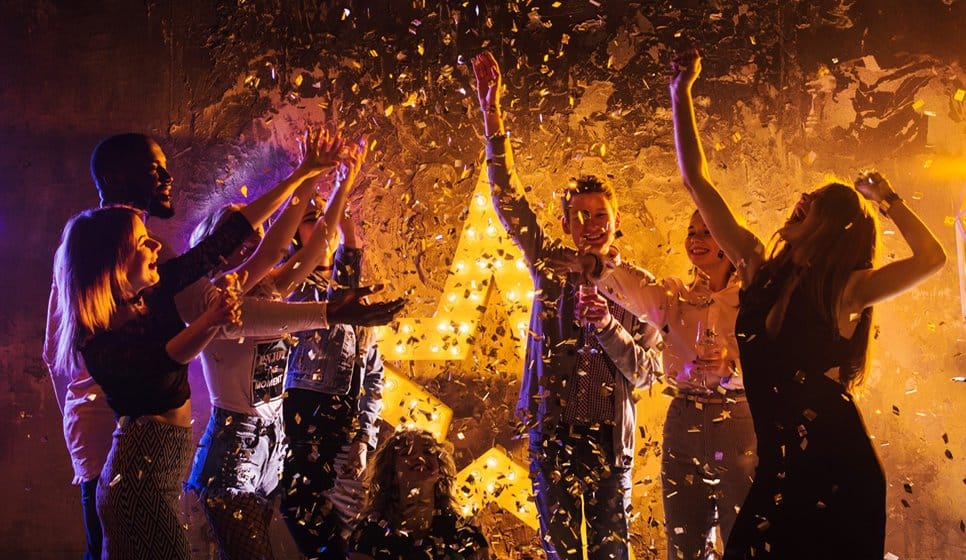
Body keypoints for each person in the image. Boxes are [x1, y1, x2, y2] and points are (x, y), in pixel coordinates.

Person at [51, 140, 405, 560]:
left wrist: (306, 176)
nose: (158, 246)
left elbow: (257, 246)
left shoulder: (161, 291)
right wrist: (222, 317)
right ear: (114, 260)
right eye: (144, 242)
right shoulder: (115, 334)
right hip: (159, 473)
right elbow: (168, 356)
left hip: (216, 462)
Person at [669, 49, 946, 559]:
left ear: (830, 223)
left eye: (814, 197)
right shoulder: (756, 264)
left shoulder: (846, 288)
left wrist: (885, 199)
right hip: (779, 467)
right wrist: (680, 92)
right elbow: (697, 181)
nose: (800, 196)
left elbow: (931, 258)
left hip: (838, 469)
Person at [472, 51, 663, 560]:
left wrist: (607, 327)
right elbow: (509, 199)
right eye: (580, 216)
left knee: (609, 553)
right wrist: (493, 114)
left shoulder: (637, 287)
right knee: (559, 551)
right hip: (553, 432)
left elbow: (648, 373)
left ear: (616, 221)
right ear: (566, 226)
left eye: (601, 215)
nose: (592, 224)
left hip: (608, 439)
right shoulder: (550, 265)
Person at [185, 132, 368, 559]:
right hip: (233, 450)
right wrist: (329, 313)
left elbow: (315, 246)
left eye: (257, 234)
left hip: (271, 445)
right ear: (217, 246)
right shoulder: (214, 301)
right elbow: (269, 270)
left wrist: (343, 181)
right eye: (242, 237)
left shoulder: (268, 288)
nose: (255, 241)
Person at [557, 209, 756, 559]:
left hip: (737, 421)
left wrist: (732, 365)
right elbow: (634, 287)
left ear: (727, 240)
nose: (694, 240)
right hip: (683, 420)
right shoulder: (675, 298)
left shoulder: (752, 300)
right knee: (684, 547)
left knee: (743, 542)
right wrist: (598, 262)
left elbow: (778, 360)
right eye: (690, 231)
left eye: (706, 232)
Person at [43, 133, 177, 560]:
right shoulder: (92, 245)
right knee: (108, 541)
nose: (168, 178)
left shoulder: (143, 247)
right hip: (107, 418)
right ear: (118, 177)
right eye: (156, 169)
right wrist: (101, 395)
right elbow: (56, 351)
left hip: (133, 417)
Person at [281, 210, 385, 559]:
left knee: (355, 550)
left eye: (332, 215)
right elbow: (332, 304)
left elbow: (373, 377)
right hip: (304, 446)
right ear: (293, 234)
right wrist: (351, 239)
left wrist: (362, 439)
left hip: (347, 451)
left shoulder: (359, 303)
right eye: (312, 217)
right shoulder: (290, 295)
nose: (327, 223)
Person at [348, 429, 489, 560]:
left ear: (440, 470)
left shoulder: (465, 534)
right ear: (391, 474)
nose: (420, 457)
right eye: (406, 453)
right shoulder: (370, 532)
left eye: (428, 452)